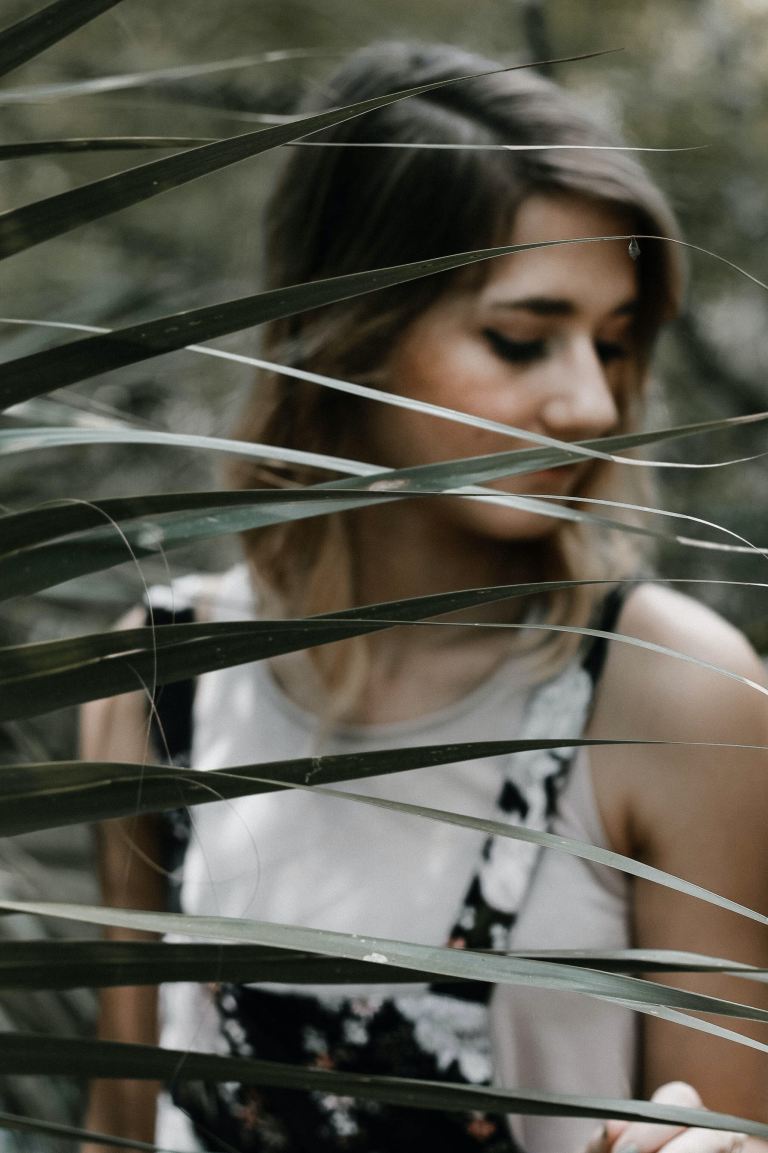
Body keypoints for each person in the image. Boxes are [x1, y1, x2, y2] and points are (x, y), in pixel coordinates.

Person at [81, 40, 768, 1153]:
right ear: (345, 327)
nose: (591, 402)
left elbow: (734, 1124)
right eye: (520, 337)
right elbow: (118, 1118)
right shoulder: (160, 683)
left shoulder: (681, 699)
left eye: (614, 341)